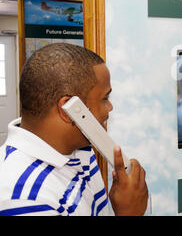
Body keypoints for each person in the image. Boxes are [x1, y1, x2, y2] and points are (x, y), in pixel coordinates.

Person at [0, 43, 148, 216]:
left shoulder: (81, 148)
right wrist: (129, 213)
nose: (110, 107)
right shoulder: (23, 199)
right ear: (68, 110)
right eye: (105, 98)